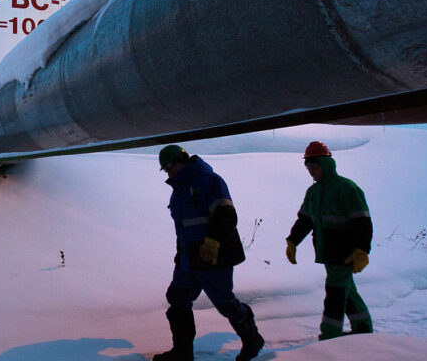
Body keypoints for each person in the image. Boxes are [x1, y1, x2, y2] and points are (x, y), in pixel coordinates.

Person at [154, 144, 264, 361]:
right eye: (165, 170)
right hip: (188, 258)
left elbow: (226, 215)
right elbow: (184, 227)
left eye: (169, 168)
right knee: (177, 298)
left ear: (180, 162)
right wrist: (181, 254)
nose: (168, 173)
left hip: (213, 256)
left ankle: (252, 338)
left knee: (224, 303)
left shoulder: (209, 180)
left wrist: (212, 243)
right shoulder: (179, 190)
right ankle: (182, 353)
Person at [285, 140, 374, 340]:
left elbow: (362, 222)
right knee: (347, 290)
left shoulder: (347, 188)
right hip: (327, 251)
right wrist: (293, 241)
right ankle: (363, 328)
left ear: (325, 164)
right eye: (308, 167)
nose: (311, 171)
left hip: (345, 252)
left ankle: (329, 335)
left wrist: (361, 250)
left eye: (314, 166)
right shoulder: (314, 192)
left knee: (335, 292)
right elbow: (305, 220)